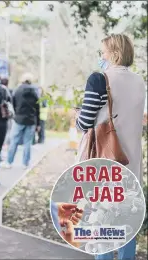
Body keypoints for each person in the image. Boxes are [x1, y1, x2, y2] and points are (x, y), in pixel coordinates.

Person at [75, 34, 146, 259]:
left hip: (104, 161)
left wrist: (77, 115)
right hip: (131, 159)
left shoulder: (99, 79)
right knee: (127, 218)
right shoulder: (139, 81)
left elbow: (85, 123)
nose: (101, 56)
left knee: (102, 220)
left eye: (103, 52)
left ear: (114, 53)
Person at [1, 72, 40, 169]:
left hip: (19, 119)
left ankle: (9, 162)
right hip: (31, 120)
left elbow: (13, 103)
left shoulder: (17, 90)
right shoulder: (35, 91)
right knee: (27, 142)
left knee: (14, 141)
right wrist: (38, 123)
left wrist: (16, 113)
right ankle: (25, 163)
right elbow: (38, 108)